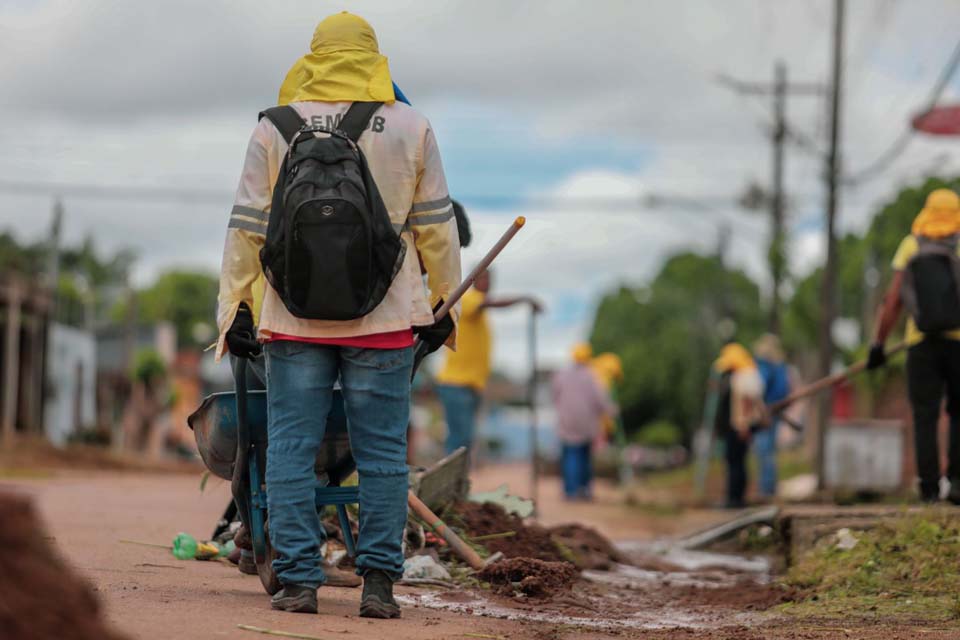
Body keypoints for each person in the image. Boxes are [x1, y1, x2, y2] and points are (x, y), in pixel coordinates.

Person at [216, 12, 461, 618]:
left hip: (292, 318)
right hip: (385, 319)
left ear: (314, 56)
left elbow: (247, 226)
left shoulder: (274, 127)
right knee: (381, 455)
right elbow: (436, 227)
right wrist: (443, 304)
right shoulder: (411, 125)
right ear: (374, 57)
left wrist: (235, 309)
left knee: (292, 449)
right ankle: (378, 584)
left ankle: (299, 581)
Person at [867, 188, 960, 503]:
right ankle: (958, 484)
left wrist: (878, 344)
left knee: (925, 416)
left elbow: (893, 302)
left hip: (920, 342)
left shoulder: (911, 244)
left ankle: (929, 490)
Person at [434, 269, 540, 454]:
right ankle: (451, 481)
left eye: (490, 279)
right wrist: (523, 299)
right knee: (460, 440)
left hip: (469, 386)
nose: (488, 283)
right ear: (474, 280)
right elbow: (488, 303)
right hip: (457, 384)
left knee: (465, 440)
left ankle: (458, 481)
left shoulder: (480, 313)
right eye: (483, 278)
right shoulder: (468, 299)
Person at [551, 343, 617, 500]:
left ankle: (570, 490)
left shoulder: (561, 374)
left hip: (566, 421)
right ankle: (584, 490)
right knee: (583, 456)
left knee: (570, 455)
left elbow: (554, 395)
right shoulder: (591, 375)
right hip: (586, 422)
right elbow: (600, 399)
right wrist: (611, 410)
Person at [713, 343, 765, 509]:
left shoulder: (744, 376)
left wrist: (742, 425)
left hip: (739, 425)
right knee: (737, 461)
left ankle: (735, 498)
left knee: (736, 461)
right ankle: (735, 496)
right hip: (739, 425)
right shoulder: (747, 374)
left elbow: (747, 402)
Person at [751, 334, 790, 500]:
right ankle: (770, 486)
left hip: (765, 410)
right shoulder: (780, 365)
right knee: (770, 450)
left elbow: (759, 386)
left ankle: (765, 489)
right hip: (776, 410)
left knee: (764, 449)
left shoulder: (765, 366)